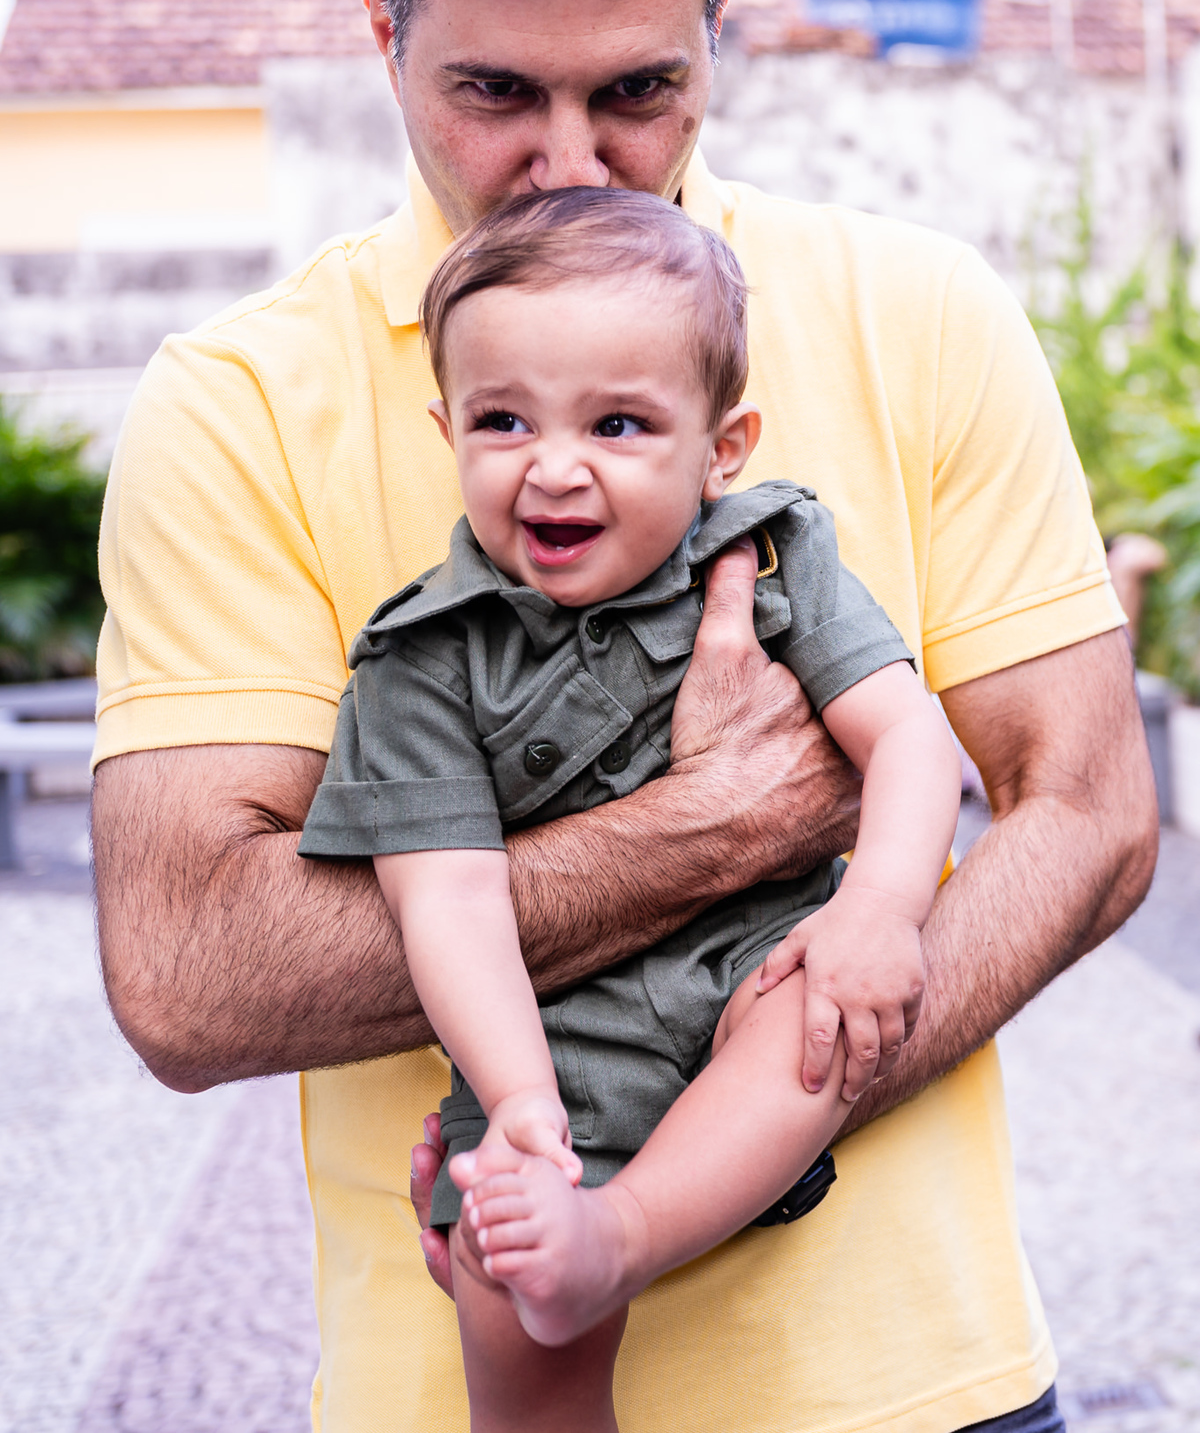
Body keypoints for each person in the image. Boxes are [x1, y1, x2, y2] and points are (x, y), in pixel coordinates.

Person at [91, 0, 1157, 1433]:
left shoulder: (920, 308)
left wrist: (741, 1118)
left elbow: (1091, 812)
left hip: (923, 1386)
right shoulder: (235, 406)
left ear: (718, 36)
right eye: (496, 92)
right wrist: (711, 830)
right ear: (383, 34)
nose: (574, 162)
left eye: (639, 90)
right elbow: (190, 971)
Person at [296, 187, 962, 1428]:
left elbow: (910, 737)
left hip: (753, 976)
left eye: (617, 423)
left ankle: (624, 1235)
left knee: (812, 1021)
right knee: (500, 1268)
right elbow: (449, 898)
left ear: (721, 447)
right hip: (562, 1042)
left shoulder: (771, 561)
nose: (553, 466)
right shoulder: (419, 662)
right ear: (448, 428)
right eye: (503, 420)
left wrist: (880, 908)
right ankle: (567, 1256)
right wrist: (520, 1103)